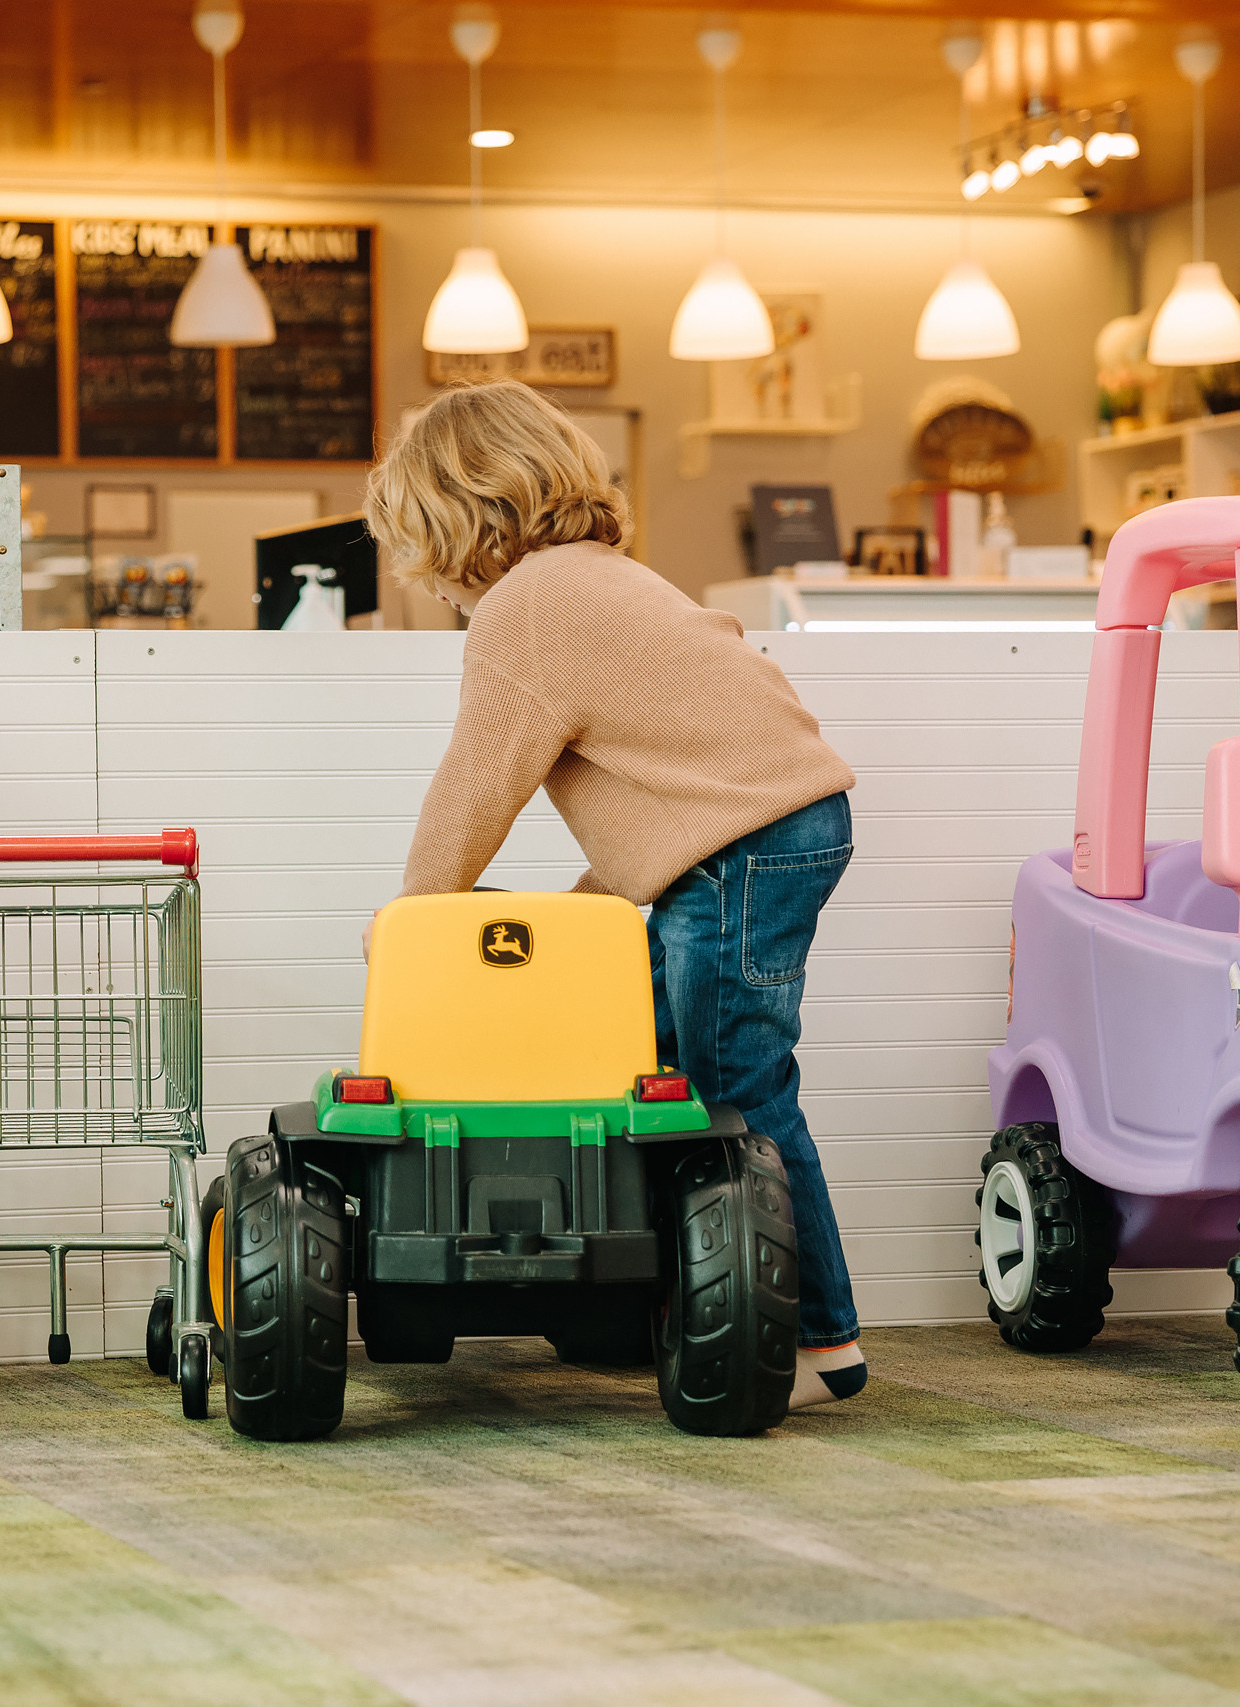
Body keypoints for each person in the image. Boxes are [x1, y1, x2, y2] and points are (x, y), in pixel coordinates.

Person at [365, 380, 866, 1412]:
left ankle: (818, 1344)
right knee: (661, 1071)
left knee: (739, 1094)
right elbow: (666, 777)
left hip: (744, 846)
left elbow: (476, 785)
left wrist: (412, 915)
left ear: (460, 516)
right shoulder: (600, 579)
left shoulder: (526, 607)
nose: (437, 583)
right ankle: (694, 1304)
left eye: (425, 548)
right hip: (763, 834)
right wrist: (595, 906)